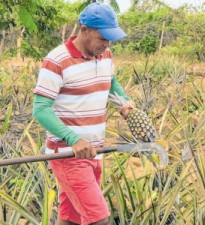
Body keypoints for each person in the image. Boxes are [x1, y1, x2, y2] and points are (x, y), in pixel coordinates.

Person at [32, 2, 134, 225]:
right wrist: (73, 139)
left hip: (94, 151)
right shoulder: (57, 60)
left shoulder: (105, 54)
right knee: (100, 220)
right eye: (102, 38)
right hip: (69, 154)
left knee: (71, 219)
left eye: (110, 39)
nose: (106, 44)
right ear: (84, 29)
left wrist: (123, 101)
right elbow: (40, 109)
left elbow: (111, 81)